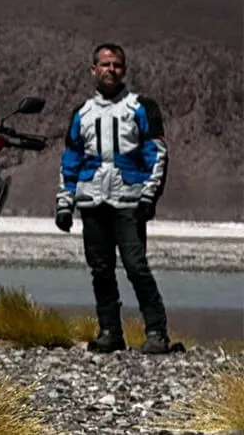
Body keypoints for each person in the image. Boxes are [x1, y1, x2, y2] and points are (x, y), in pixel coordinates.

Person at [55, 42, 177, 354]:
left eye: (117, 65)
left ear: (124, 71)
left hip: (129, 201)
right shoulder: (81, 114)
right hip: (92, 202)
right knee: (101, 270)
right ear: (93, 70)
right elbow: (70, 160)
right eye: (105, 64)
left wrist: (150, 196)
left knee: (136, 266)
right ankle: (110, 331)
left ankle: (156, 333)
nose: (111, 70)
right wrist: (64, 202)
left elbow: (157, 154)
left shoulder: (141, 108)